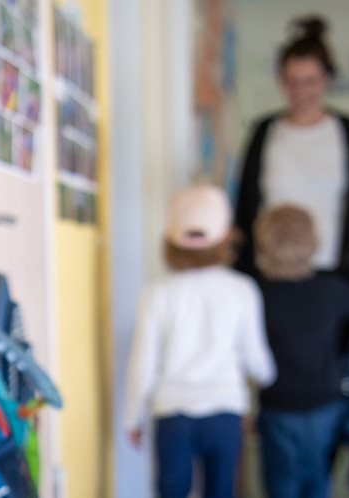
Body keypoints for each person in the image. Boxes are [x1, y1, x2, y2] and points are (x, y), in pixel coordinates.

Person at [233, 15, 349, 326]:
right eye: (291, 81)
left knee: (333, 371)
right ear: (280, 80)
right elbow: (245, 208)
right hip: (269, 279)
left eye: (310, 81)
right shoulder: (264, 132)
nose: (301, 92)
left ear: (328, 79)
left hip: (335, 277)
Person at [123, 185, 277, 498]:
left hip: (172, 414)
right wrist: (267, 378)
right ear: (226, 236)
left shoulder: (156, 293)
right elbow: (257, 361)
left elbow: (143, 364)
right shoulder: (242, 289)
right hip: (225, 413)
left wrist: (133, 416)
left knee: (172, 491)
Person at [253, 205, 349, 498]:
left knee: (280, 479)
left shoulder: (257, 292)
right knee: (317, 476)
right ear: (313, 243)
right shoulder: (330, 290)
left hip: (276, 403)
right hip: (323, 402)